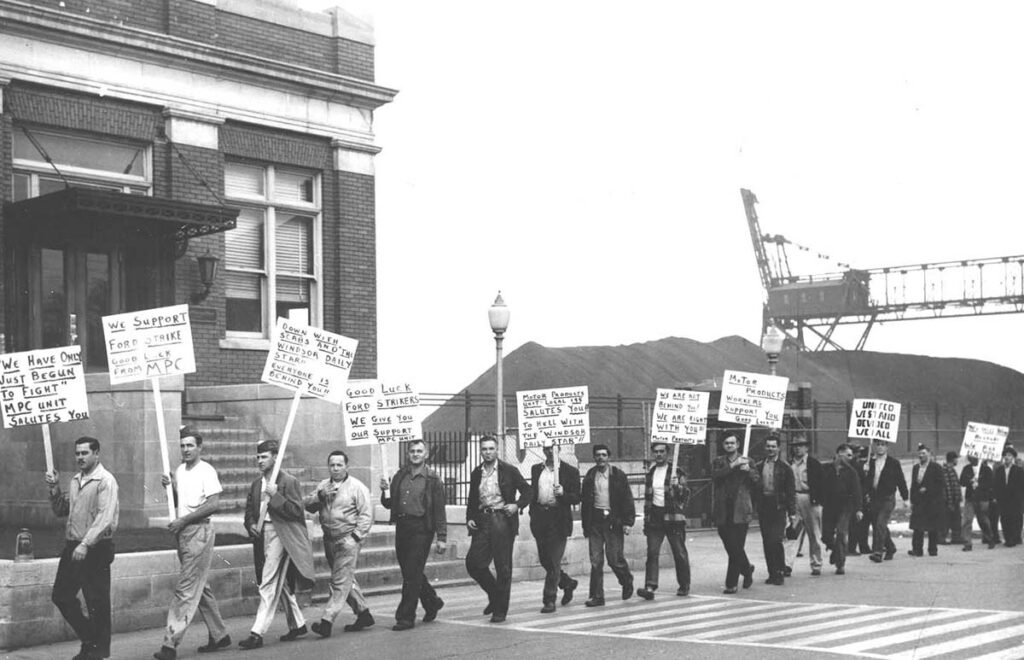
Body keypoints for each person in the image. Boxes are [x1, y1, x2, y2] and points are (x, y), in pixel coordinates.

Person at [153, 428, 229, 660]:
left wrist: (184, 520)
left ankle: (170, 644)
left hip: (200, 531)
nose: (185, 450)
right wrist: (171, 487)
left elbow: (214, 504)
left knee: (186, 588)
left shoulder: (206, 470)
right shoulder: (180, 470)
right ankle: (219, 634)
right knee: (199, 585)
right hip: (184, 533)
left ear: (199, 447)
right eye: (183, 446)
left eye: (190, 446)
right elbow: (181, 502)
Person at [45, 436, 119, 660]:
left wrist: (86, 543)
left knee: (96, 601)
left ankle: (97, 651)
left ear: (97, 454)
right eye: (77, 453)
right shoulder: (76, 480)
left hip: (95, 547)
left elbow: (105, 517)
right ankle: (91, 640)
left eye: (84, 453)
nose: (79, 457)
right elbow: (61, 510)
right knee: (61, 595)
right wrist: (54, 488)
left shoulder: (106, 480)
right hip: (73, 546)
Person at [239, 440, 316, 650]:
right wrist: (251, 524)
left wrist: (275, 496)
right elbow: (248, 510)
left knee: (268, 581)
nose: (259, 461)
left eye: (264, 457)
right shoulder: (256, 484)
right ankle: (298, 624)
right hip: (263, 534)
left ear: (275, 457)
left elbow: (296, 511)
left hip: (283, 535)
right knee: (279, 582)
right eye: (258, 457)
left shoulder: (288, 481)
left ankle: (257, 632)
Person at [304, 450, 374, 637]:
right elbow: (308, 505)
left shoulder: (357, 487)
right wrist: (320, 495)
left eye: (339, 465)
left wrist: (355, 537)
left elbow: (367, 516)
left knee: (338, 581)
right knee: (345, 578)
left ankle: (327, 620)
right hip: (330, 539)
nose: (335, 469)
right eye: (332, 465)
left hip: (347, 538)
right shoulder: (323, 485)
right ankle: (364, 613)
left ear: (346, 466)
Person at [380, 439, 447, 631]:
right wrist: (384, 490)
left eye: (419, 451)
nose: (415, 454)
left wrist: (441, 537)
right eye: (412, 451)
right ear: (408, 454)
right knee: (411, 571)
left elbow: (439, 510)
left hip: (422, 529)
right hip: (403, 527)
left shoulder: (433, 479)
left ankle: (406, 617)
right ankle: (432, 601)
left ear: (426, 454)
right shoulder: (400, 475)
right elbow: (389, 504)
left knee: (411, 573)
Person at [465, 434, 532, 622]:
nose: (487, 452)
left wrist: (517, 505)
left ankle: (500, 610)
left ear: (497, 450)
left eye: (491, 449)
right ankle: (495, 596)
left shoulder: (509, 470)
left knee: (503, 566)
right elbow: (472, 499)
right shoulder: (476, 472)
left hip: (502, 519)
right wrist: (470, 517)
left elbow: (528, 491)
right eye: (484, 449)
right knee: (474, 563)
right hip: (482, 520)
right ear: (480, 451)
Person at [528, 440, 581, 613]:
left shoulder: (570, 471)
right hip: (540, 519)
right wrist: (532, 512)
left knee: (554, 560)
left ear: (560, 449)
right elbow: (533, 492)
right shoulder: (536, 469)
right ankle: (567, 583)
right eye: (547, 448)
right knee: (545, 560)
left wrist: (564, 494)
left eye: (553, 448)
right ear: (543, 450)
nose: (550, 451)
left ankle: (549, 599)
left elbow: (577, 497)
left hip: (558, 519)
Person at [581, 443, 635, 606]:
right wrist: (586, 526)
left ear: (608, 457)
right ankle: (597, 596)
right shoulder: (590, 476)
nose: (600, 458)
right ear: (594, 457)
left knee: (614, 559)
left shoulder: (618, 475)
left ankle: (626, 580)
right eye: (598, 455)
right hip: (596, 522)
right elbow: (585, 502)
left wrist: (627, 522)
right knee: (596, 561)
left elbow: (627, 499)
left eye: (604, 455)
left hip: (613, 522)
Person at [636, 442, 691, 601]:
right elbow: (648, 498)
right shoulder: (651, 473)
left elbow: (685, 497)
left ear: (667, 453)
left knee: (679, 552)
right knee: (652, 552)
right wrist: (647, 520)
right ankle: (650, 586)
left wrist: (678, 487)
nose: (658, 455)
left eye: (662, 452)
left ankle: (684, 584)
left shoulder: (677, 471)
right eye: (656, 452)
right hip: (655, 516)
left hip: (673, 517)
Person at [711, 434, 759, 594]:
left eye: (732, 443)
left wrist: (749, 471)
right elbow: (715, 477)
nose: (730, 445)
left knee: (736, 546)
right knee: (730, 546)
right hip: (723, 509)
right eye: (726, 443)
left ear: (738, 444)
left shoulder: (748, 461)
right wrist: (733, 466)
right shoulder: (719, 461)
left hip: (740, 508)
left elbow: (756, 481)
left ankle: (731, 583)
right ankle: (746, 569)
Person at [755, 435, 796, 585]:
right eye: (768, 446)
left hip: (779, 506)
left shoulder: (785, 467)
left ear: (778, 448)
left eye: (773, 446)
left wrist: (792, 512)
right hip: (764, 506)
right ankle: (771, 572)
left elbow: (790, 491)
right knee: (767, 541)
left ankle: (779, 571)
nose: (771, 449)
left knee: (776, 539)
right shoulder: (759, 466)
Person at [864, 438, 909, 563]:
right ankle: (890, 547)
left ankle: (878, 552)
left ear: (887, 447)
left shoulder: (893, 463)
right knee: (880, 525)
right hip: (874, 498)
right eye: (878, 445)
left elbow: (901, 480)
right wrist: (865, 471)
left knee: (880, 523)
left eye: (883, 445)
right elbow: (866, 482)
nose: (880, 447)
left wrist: (905, 498)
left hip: (888, 498)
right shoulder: (870, 462)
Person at [785, 434, 824, 576]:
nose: (797, 449)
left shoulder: (814, 464)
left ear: (806, 447)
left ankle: (816, 564)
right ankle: (787, 564)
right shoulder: (789, 464)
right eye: (795, 446)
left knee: (814, 534)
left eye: (800, 446)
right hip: (794, 497)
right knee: (791, 532)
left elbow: (821, 483)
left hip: (810, 498)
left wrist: (818, 500)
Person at [821, 443, 862, 575]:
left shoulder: (851, 472)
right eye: (848, 455)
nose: (851, 458)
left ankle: (840, 563)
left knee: (841, 532)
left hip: (845, 507)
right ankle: (836, 550)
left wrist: (858, 509)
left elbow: (857, 491)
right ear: (839, 454)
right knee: (826, 535)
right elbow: (819, 484)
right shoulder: (827, 468)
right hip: (829, 506)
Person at [908, 444, 945, 557]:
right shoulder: (916, 468)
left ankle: (932, 549)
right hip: (919, 501)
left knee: (932, 527)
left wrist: (928, 489)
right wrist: (912, 500)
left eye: (923, 453)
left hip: (931, 501)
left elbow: (941, 484)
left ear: (929, 454)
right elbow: (913, 485)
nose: (921, 455)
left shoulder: (936, 467)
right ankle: (917, 549)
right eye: (919, 453)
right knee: (917, 527)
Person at [959, 456, 995, 551]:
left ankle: (990, 538)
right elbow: (962, 481)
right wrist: (970, 481)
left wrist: (980, 485)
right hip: (970, 498)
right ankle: (967, 543)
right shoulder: (966, 469)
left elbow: (991, 483)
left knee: (983, 520)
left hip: (982, 498)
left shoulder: (986, 469)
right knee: (967, 520)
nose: (972, 458)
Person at [993, 446, 1024, 546]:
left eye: (1009, 455)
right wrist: (996, 497)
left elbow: (1021, 485)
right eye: (1005, 455)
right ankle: (1008, 538)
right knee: (1005, 518)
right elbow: (996, 485)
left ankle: (1015, 537)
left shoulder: (1018, 470)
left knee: (1015, 518)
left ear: (1013, 458)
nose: (1007, 457)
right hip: (1003, 499)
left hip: (1015, 499)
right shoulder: (999, 470)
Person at [848, 445, 872, 555]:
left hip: (857, 496)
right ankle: (854, 547)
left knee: (860, 523)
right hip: (857, 497)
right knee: (858, 523)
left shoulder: (857, 464)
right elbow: (863, 481)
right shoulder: (855, 465)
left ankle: (861, 546)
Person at [941, 451, 963, 545]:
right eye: (956, 458)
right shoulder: (947, 470)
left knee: (956, 519)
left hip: (954, 500)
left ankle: (956, 537)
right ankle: (941, 538)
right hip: (950, 501)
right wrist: (950, 502)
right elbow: (948, 487)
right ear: (953, 459)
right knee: (947, 520)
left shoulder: (950, 469)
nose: (957, 460)